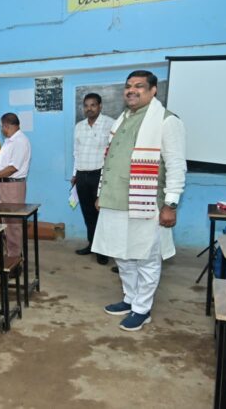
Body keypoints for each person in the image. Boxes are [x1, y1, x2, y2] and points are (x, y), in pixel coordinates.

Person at [93, 70, 186, 332]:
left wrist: (170, 204)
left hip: (146, 203)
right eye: (128, 86)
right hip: (114, 201)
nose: (131, 90)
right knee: (122, 255)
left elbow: (177, 165)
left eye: (139, 86)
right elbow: (110, 161)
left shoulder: (167, 121)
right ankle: (130, 298)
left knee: (146, 258)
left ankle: (142, 309)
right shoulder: (122, 119)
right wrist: (101, 193)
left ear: (153, 90)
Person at [72, 93, 115, 265]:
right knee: (88, 213)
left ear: (100, 106)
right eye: (86, 105)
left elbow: (113, 152)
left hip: (100, 175)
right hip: (82, 175)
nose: (89, 108)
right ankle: (92, 244)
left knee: (101, 214)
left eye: (93, 105)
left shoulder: (110, 124)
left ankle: (103, 250)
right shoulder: (79, 126)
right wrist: (75, 174)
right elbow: (76, 152)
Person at [0, 113, 31, 258]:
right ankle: (10, 255)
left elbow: (13, 168)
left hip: (12, 187)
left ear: (6, 126)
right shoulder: (10, 140)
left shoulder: (20, 141)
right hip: (3, 186)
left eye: (1, 126)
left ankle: (15, 260)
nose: (1, 129)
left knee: (13, 225)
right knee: (6, 224)